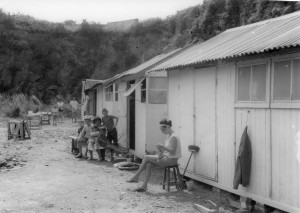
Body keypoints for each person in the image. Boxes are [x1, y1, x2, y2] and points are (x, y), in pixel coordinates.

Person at [126, 118, 181, 192]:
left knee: (146, 157)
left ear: (168, 127)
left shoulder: (173, 137)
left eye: (163, 129)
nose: (162, 131)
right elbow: (167, 150)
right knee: (148, 164)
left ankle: (136, 177)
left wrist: (162, 146)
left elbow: (173, 151)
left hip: (171, 160)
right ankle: (144, 186)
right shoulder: (169, 136)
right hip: (167, 157)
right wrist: (160, 150)